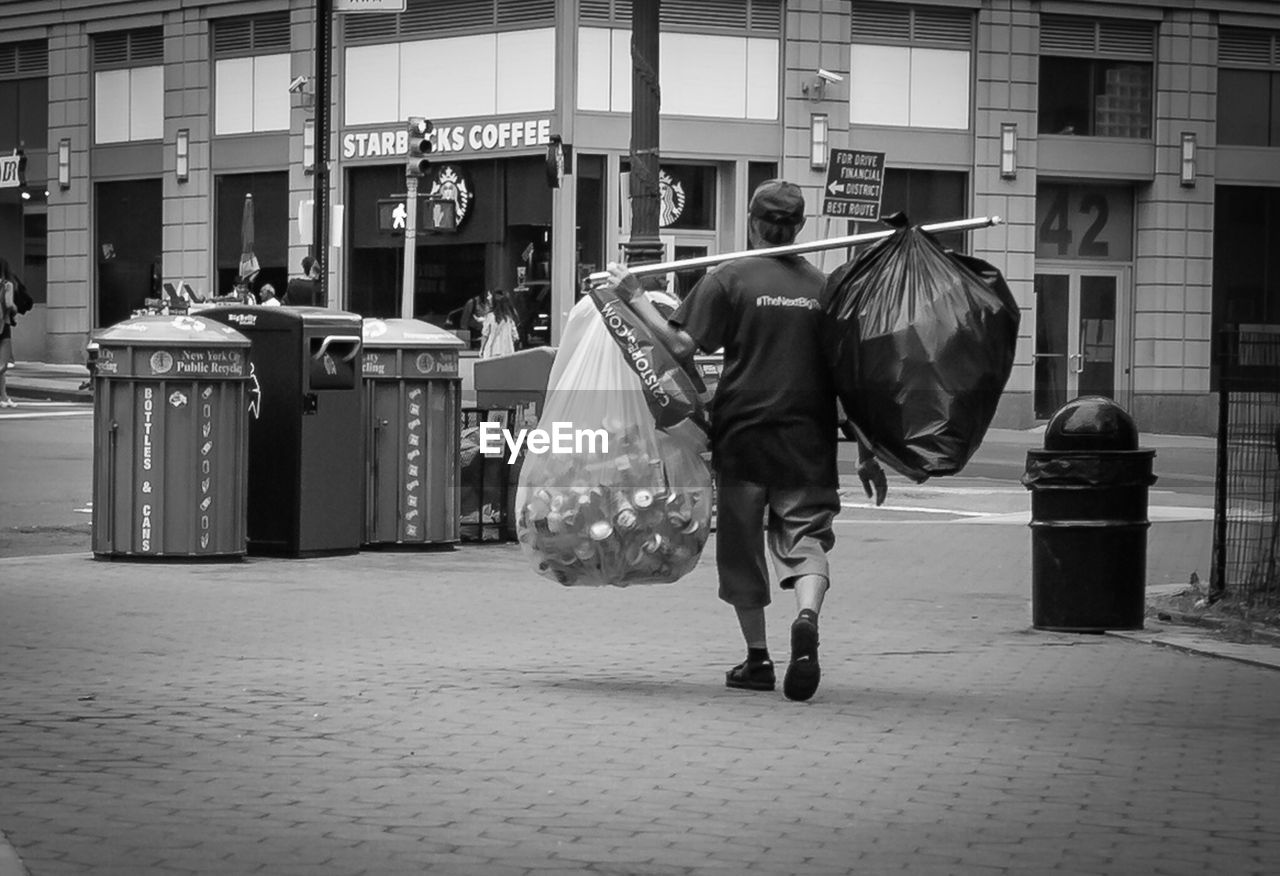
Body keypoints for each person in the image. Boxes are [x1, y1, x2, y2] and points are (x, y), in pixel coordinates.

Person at [600, 179, 886, 702]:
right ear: (799, 227)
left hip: (744, 433)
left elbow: (682, 342)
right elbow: (848, 380)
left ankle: (758, 660)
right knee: (806, 538)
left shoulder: (729, 277)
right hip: (808, 436)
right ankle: (806, 615)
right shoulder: (825, 290)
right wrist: (867, 450)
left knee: (741, 550)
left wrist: (636, 298)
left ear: (752, 221)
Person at [479, 289, 519, 359]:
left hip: (492, 351)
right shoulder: (509, 318)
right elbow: (515, 336)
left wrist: (481, 349)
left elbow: (485, 335)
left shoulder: (490, 316)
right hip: (507, 352)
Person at [0, 258, 16, 408]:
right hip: (3, 325)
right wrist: (15, 309)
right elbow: (9, 304)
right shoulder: (7, 285)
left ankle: (4, 397)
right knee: (3, 364)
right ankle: (4, 397)